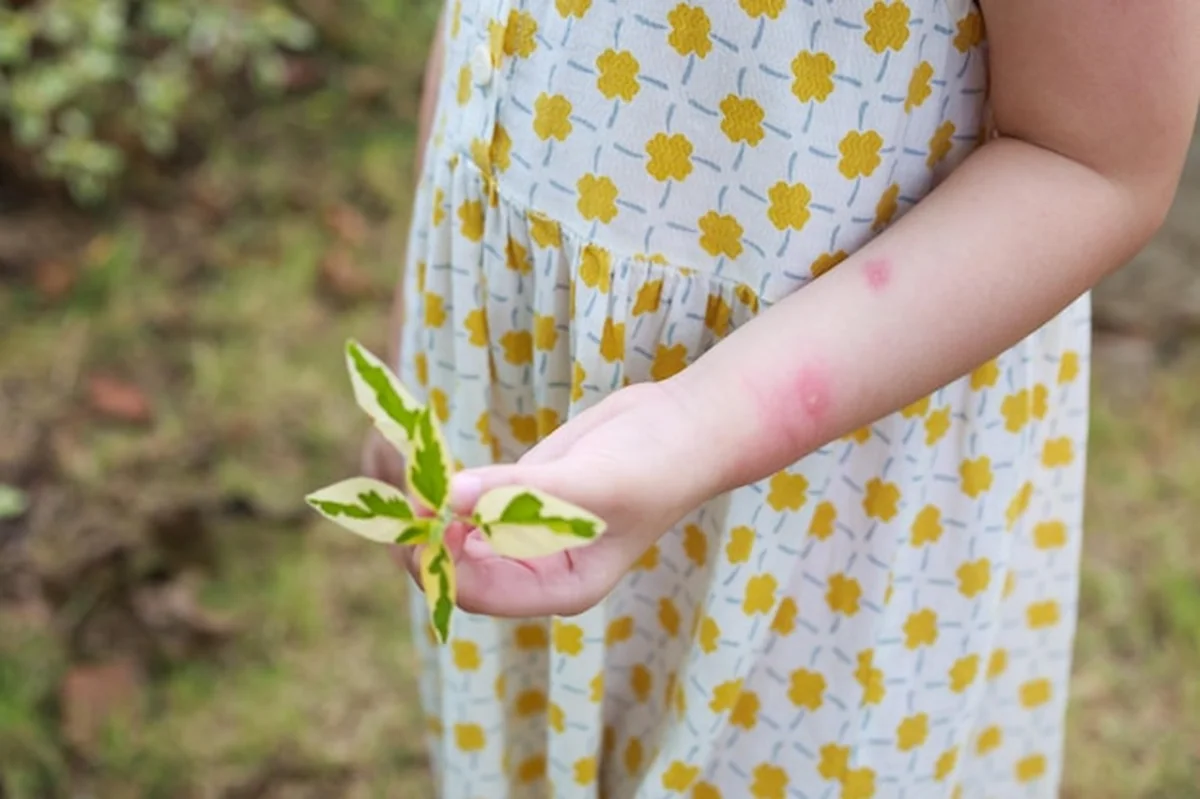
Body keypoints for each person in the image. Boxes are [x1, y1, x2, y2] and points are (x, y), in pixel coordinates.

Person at [361, 1, 1199, 796]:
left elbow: (1095, 158)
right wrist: (418, 328)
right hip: (511, 360)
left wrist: (700, 423)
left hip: (823, 485)